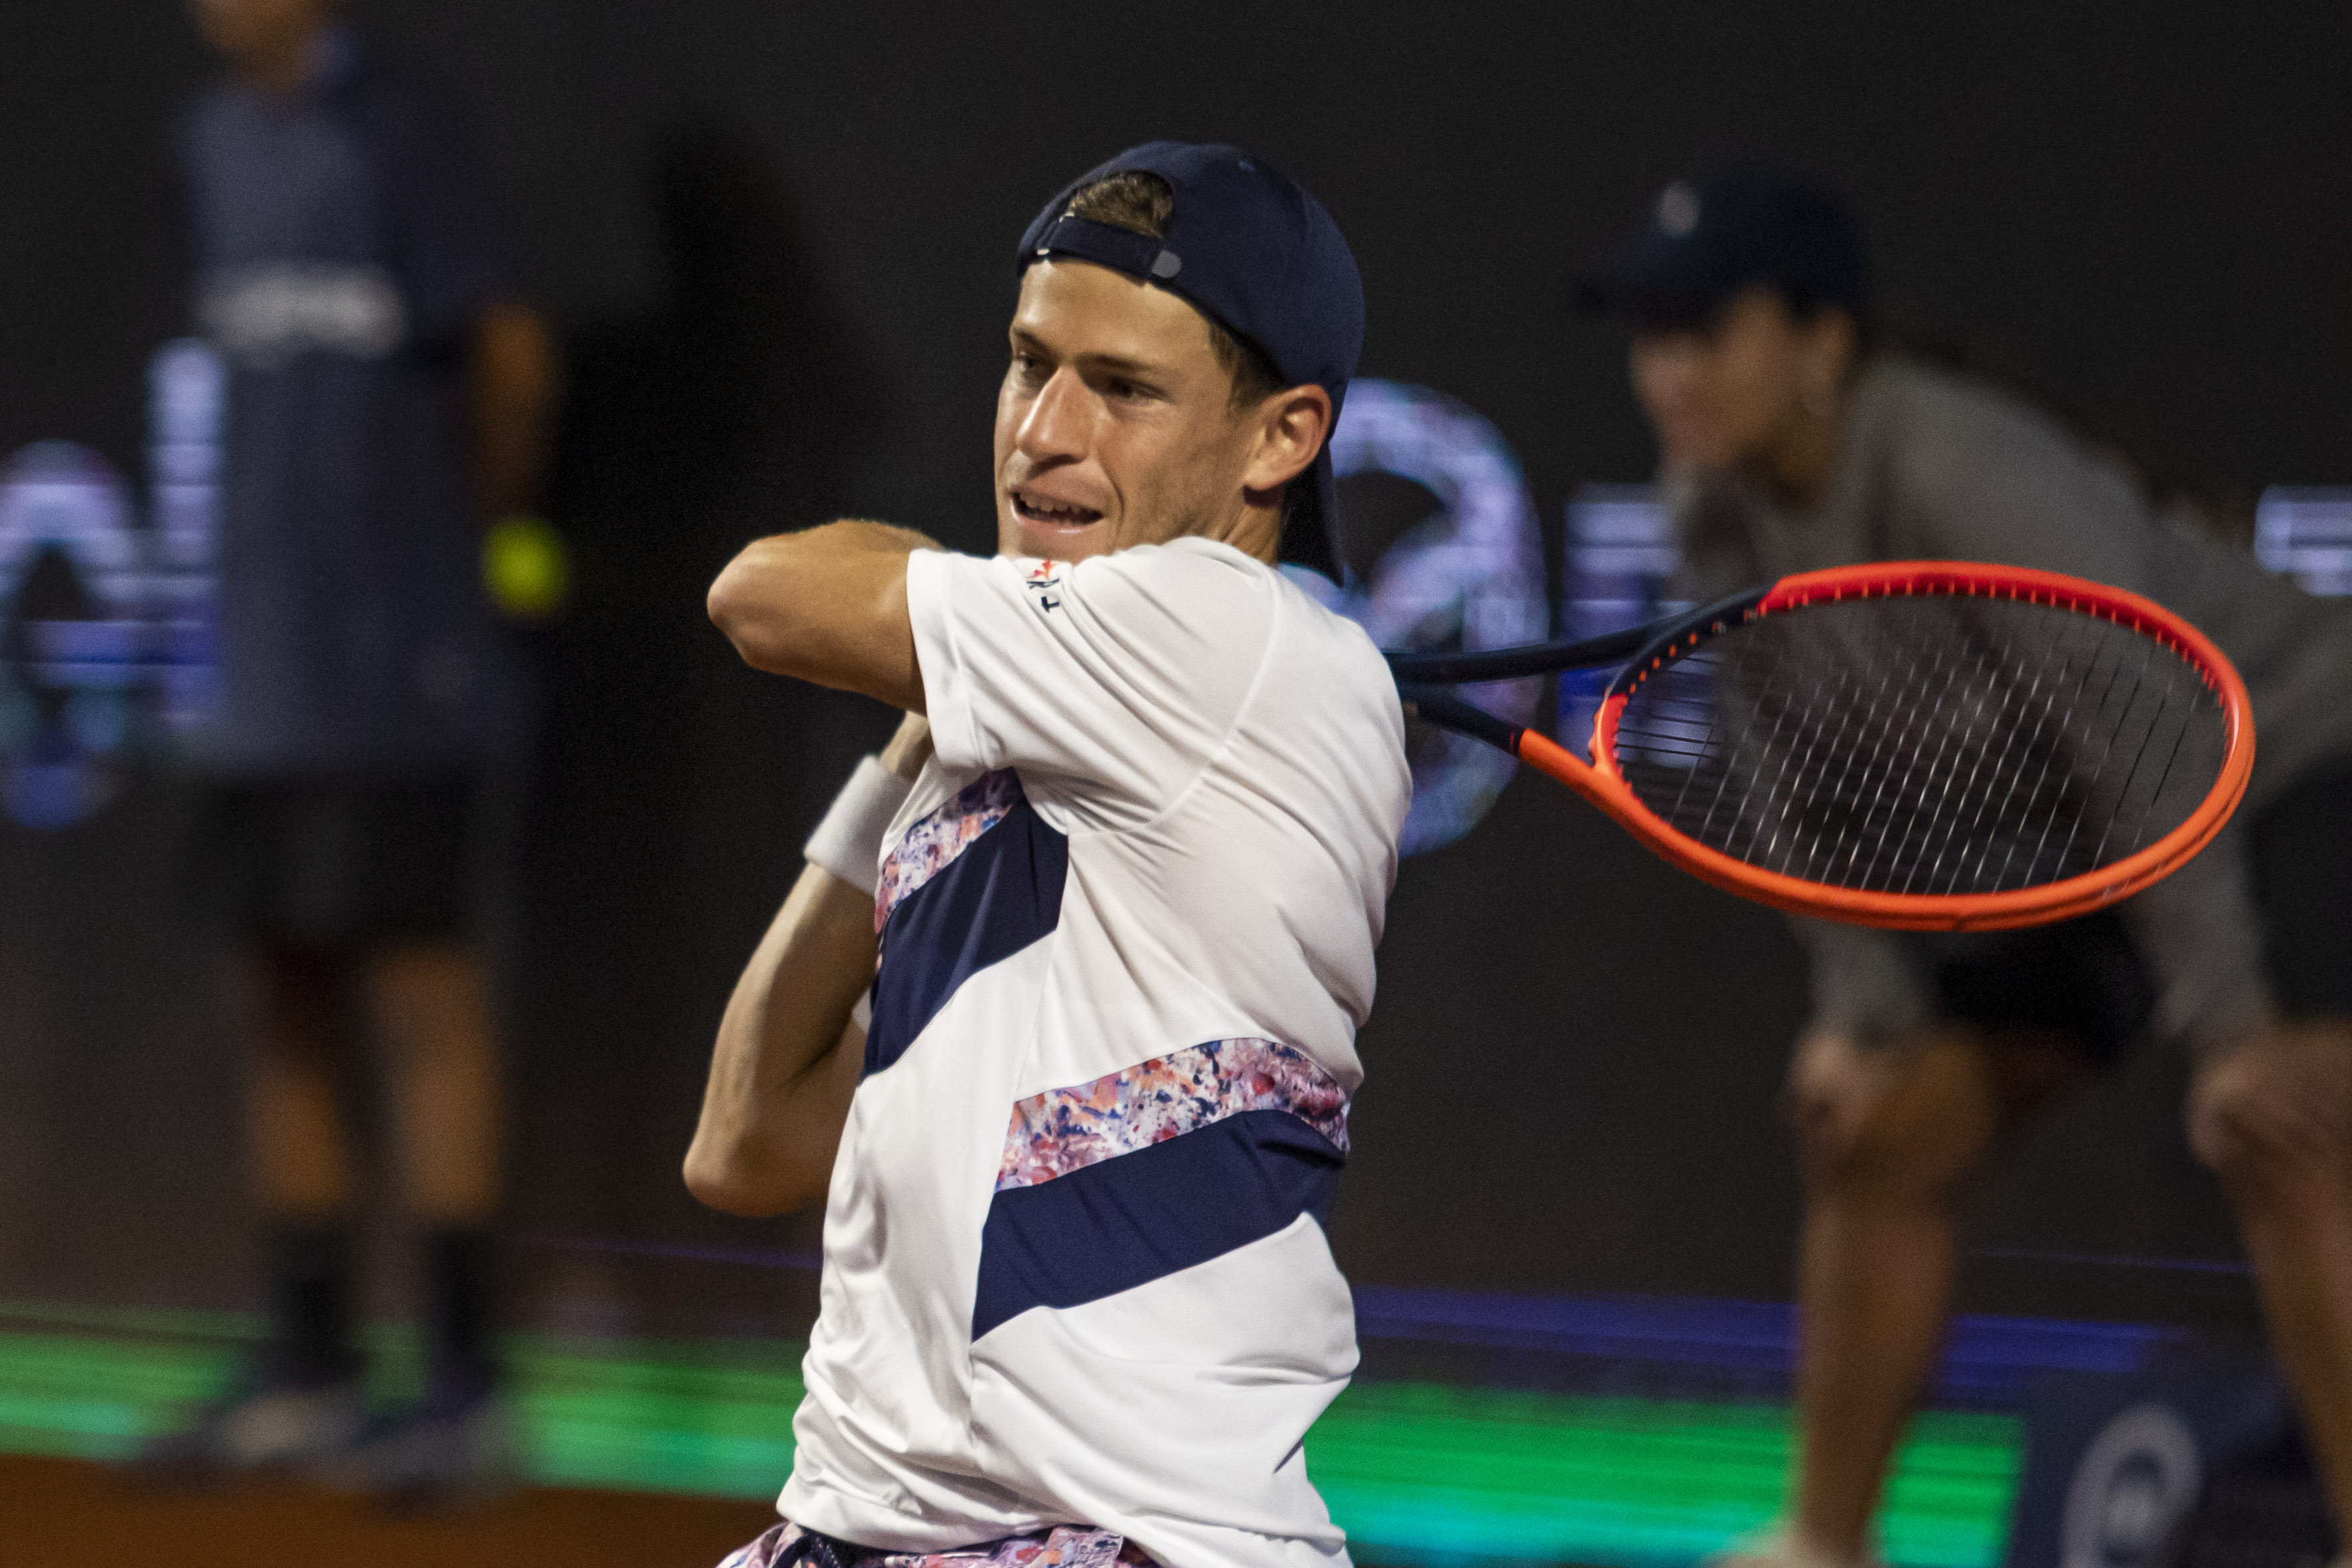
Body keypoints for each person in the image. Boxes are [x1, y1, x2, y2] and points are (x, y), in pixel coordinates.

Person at [1583, 165, 2352, 1568]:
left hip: (2294, 767)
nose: (1666, 371)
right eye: (1648, 334)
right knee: (1878, 1131)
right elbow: (1799, 805)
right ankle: (1824, 1541)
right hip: (2111, 844)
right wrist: (1860, 1020)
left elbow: (2155, 724)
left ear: (1818, 344)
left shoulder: (1948, 462)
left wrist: (2233, 1033)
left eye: (1704, 328)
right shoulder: (1706, 510)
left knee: (2283, 1129)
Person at [686, 142, 1410, 1568]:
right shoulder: (1030, 721)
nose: (1043, 431)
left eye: (1123, 389)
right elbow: (749, 1138)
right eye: (1030, 365)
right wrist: (927, 721)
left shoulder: (1228, 635)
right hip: (857, 1530)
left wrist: (953, 638)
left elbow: (760, 593)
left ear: (1281, 438)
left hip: (1120, 1543)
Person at [147, 0, 556, 1496]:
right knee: (282, 990)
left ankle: (465, 1383)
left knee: (420, 990)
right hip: (256, 665)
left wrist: (457, 553)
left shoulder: (402, 128)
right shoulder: (206, 143)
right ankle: (312, 1363)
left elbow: (509, 362)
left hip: (403, 659)